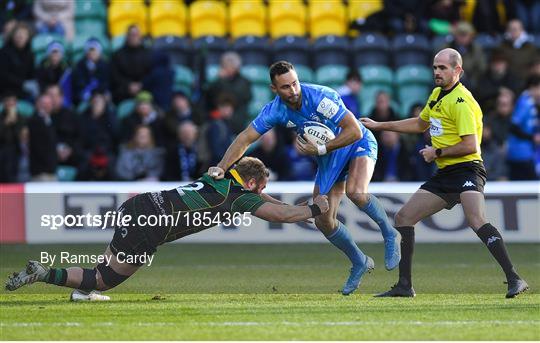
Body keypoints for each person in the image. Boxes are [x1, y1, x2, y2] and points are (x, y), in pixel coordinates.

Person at [5, 157, 330, 301]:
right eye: (261, 186)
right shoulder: (238, 199)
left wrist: (302, 209)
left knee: (103, 268)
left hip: (139, 205)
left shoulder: (216, 176)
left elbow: (263, 197)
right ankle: (44, 273)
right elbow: (279, 215)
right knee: (105, 279)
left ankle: (80, 292)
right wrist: (315, 209)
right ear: (255, 182)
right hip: (152, 226)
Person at [208, 61, 402, 296]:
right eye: (286, 87)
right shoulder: (275, 110)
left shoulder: (320, 98)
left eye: (295, 83)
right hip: (328, 156)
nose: (294, 90)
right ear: (274, 89)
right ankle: (359, 261)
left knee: (356, 192)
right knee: (323, 219)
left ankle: (389, 232)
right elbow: (245, 138)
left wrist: (321, 149)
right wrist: (221, 167)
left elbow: (355, 130)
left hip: (355, 143)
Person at [361, 48, 529, 298]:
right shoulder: (438, 95)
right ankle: (405, 286)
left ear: (457, 70)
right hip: (445, 173)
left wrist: (437, 152)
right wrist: (379, 125)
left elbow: (471, 145)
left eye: (443, 68)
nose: (437, 72)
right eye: (435, 67)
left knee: (476, 220)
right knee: (404, 217)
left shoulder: (462, 102)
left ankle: (515, 279)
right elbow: (420, 123)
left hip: (467, 168)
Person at [506, 76, 540, 180]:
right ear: (533, 88)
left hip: (526, 152)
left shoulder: (530, 103)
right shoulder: (525, 103)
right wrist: (532, 137)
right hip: (520, 152)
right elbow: (513, 126)